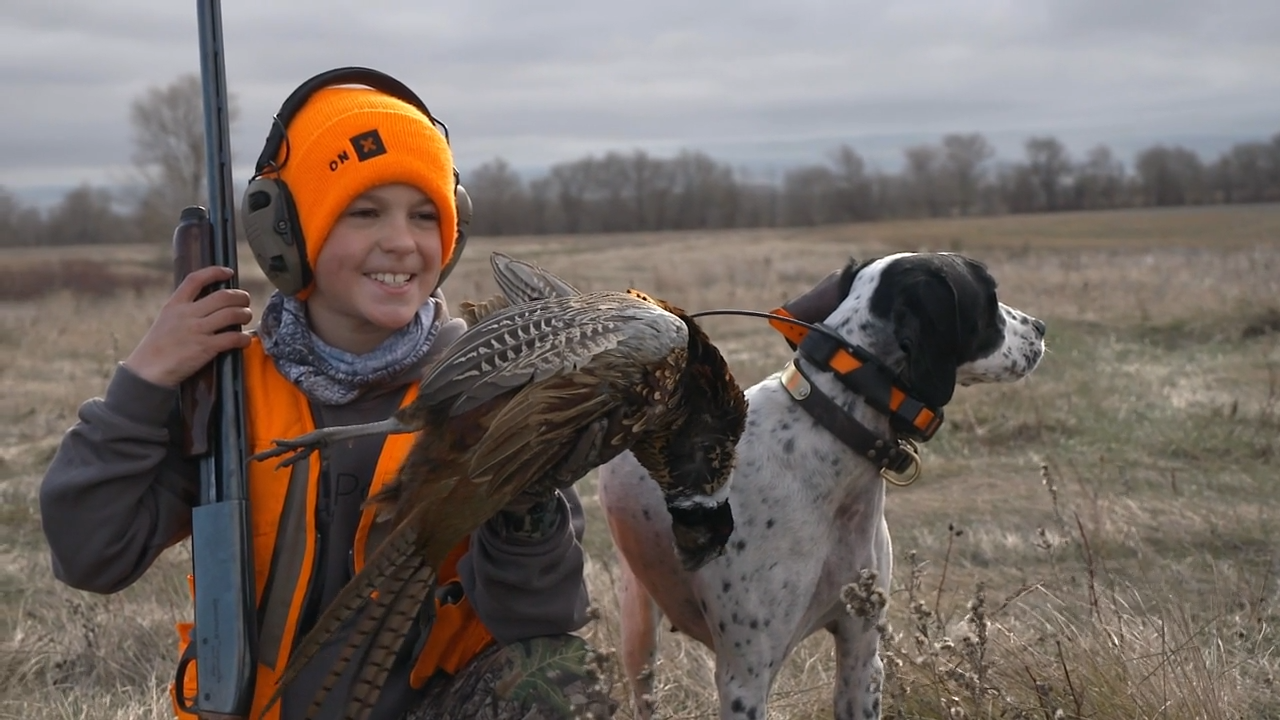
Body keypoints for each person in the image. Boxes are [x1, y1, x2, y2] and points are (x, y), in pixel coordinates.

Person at [38, 67, 617, 720]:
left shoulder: (489, 392)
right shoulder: (229, 398)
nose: (401, 240)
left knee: (557, 679)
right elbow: (89, 554)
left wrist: (524, 487)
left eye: (426, 215)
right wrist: (144, 383)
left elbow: (538, 617)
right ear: (285, 235)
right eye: (364, 211)